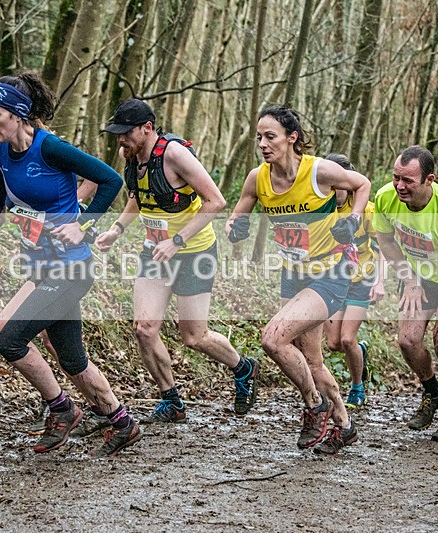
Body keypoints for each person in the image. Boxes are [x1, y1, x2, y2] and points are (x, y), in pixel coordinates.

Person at [0, 72, 141, 457]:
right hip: (40, 268)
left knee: (8, 337)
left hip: (71, 268)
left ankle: (62, 409)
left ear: (19, 114)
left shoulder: (50, 148)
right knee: (72, 359)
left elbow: (109, 180)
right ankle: (121, 422)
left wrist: (84, 225)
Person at [95, 98, 259, 423]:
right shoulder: (129, 154)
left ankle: (243, 367)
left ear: (147, 128)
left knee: (194, 336)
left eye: (126, 133)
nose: (120, 140)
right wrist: (116, 229)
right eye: (117, 133)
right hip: (155, 252)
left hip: (194, 251)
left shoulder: (174, 155)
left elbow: (216, 202)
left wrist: (177, 240)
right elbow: (137, 196)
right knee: (144, 329)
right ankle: (172, 400)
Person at [226, 105, 371, 454]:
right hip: (293, 276)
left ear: (292, 139)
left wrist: (351, 218)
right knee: (313, 361)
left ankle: (314, 404)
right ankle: (344, 425)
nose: (262, 144)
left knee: (273, 340)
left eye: (270, 136)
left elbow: (362, 183)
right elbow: (235, 219)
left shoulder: (319, 171)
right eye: (259, 137)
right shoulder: (256, 179)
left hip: (330, 275)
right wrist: (236, 228)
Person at [373, 145, 438, 442]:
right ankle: (433, 392)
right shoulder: (385, 198)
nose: (400, 186)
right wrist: (410, 280)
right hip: (419, 274)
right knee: (407, 341)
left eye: (408, 181)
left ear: (429, 180)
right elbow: (387, 241)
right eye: (396, 178)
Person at [322, 153, 385, 409]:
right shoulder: (320, 206)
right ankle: (361, 351)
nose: (336, 188)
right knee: (334, 344)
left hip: (362, 277)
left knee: (347, 339)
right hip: (332, 277)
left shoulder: (366, 210)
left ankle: (357, 387)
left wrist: (380, 282)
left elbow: (383, 247)